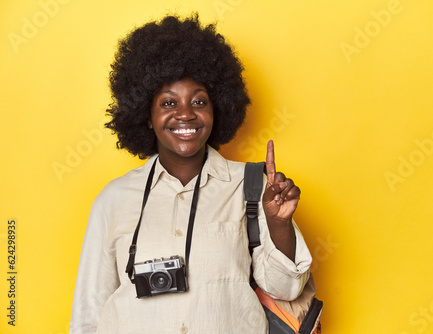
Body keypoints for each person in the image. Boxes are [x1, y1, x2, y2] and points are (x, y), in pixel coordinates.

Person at [70, 13, 312, 333]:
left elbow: (287, 290)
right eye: (169, 103)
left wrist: (279, 224)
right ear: (146, 115)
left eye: (198, 101)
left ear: (217, 109)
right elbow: (89, 312)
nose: (185, 114)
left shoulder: (252, 188)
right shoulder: (113, 200)